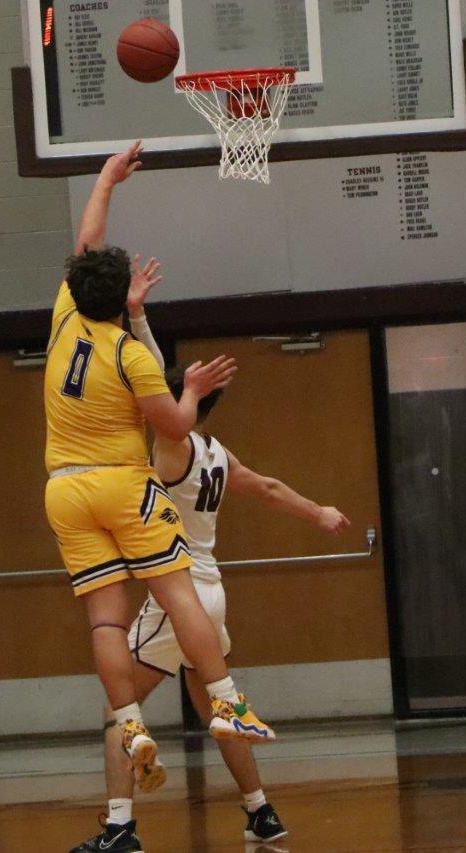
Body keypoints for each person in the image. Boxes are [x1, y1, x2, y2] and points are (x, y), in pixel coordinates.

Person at [72, 268, 351, 852]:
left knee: (117, 709)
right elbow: (269, 488)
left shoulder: (172, 446)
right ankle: (261, 811)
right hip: (212, 593)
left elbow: (160, 389)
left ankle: (119, 827)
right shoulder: (216, 452)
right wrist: (319, 512)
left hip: (179, 596)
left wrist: (140, 322)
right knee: (216, 708)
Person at [43, 142, 276, 824]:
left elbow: (87, 242)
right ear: (122, 298)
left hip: (65, 490)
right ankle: (226, 700)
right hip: (123, 484)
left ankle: (130, 721)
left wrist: (104, 179)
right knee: (177, 594)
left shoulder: (63, 320)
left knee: (105, 619)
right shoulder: (132, 355)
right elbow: (174, 423)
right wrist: (194, 390)